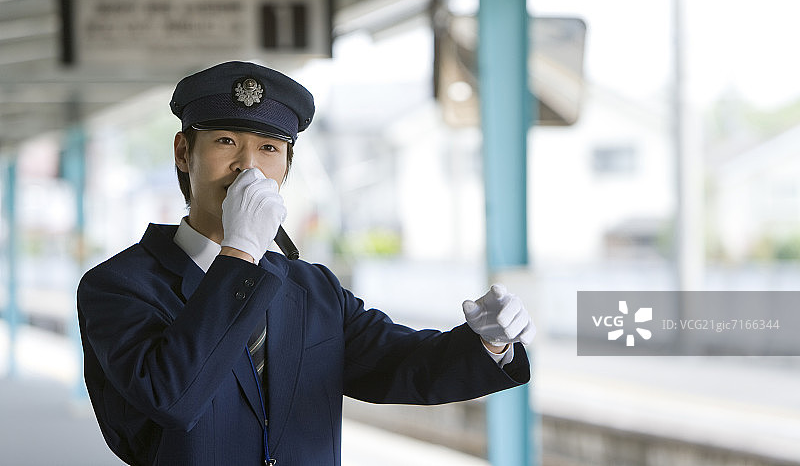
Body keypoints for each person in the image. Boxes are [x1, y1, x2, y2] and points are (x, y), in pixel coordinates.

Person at [77, 61, 535, 466]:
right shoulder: (117, 286)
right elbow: (172, 397)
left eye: (269, 149)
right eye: (224, 141)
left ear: (287, 167)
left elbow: (401, 364)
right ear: (183, 152)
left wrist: (490, 343)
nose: (247, 166)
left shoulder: (312, 288)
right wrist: (239, 253)